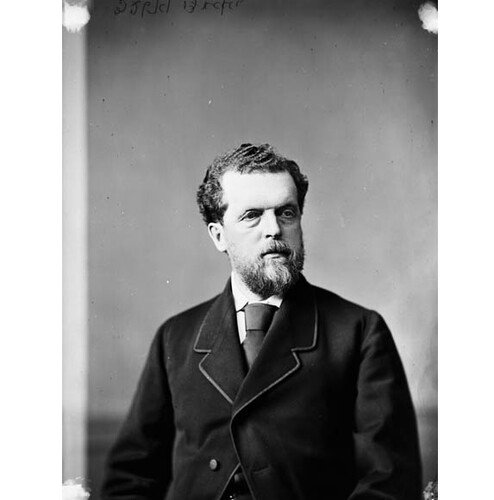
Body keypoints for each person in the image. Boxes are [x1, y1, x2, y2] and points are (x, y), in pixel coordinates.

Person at [101, 143, 422, 500]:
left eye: (287, 213)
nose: (274, 229)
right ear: (219, 236)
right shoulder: (175, 337)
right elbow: (131, 478)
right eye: (252, 215)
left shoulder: (359, 332)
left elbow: (389, 480)